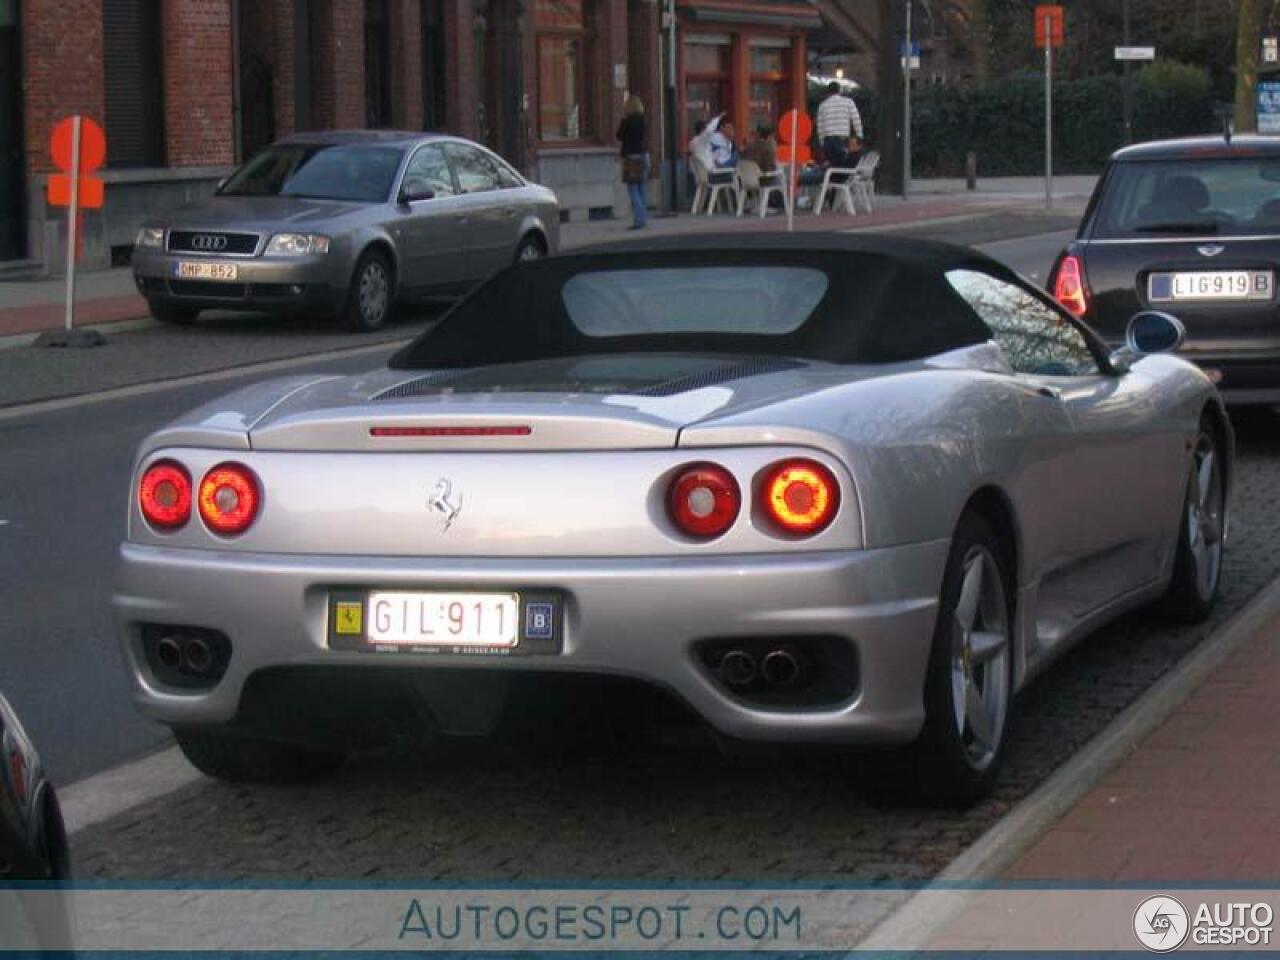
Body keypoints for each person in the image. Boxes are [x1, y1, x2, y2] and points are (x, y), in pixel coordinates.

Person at [616, 94, 649, 229]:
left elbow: (618, 136)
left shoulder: (627, 121)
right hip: (644, 155)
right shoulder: (642, 120)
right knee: (641, 188)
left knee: (633, 189)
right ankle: (643, 219)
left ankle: (639, 221)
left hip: (631, 157)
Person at [815, 81, 863, 169]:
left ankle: (831, 180)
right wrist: (859, 136)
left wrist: (822, 142)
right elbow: (856, 120)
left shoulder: (822, 105)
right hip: (843, 139)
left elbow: (820, 127)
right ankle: (840, 180)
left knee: (832, 165)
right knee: (842, 165)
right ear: (839, 91)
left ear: (828, 92)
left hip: (828, 140)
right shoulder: (849, 102)